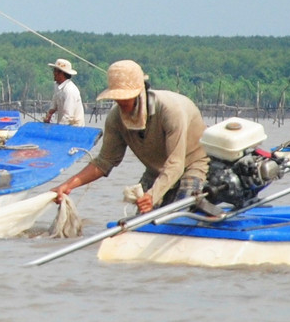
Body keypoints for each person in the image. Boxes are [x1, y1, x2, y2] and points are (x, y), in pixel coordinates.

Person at [53, 59, 209, 214]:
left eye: (125, 97)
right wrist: (68, 185)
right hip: (156, 170)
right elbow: (104, 162)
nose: (120, 102)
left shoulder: (170, 111)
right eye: (117, 97)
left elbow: (176, 164)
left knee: (179, 216)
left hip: (190, 164)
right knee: (142, 220)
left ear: (140, 92)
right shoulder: (115, 118)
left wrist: (152, 196)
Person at [43, 58, 85, 126]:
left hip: (75, 129)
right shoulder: (57, 86)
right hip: (63, 126)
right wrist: (48, 115)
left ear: (61, 73)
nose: (53, 73)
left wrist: (58, 129)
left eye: (55, 71)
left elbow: (68, 116)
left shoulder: (70, 90)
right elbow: (54, 104)